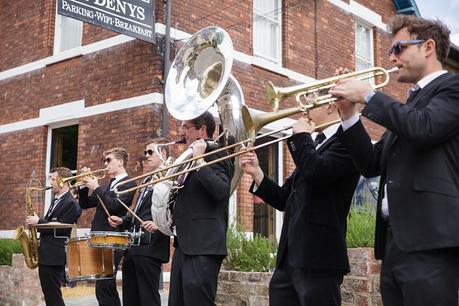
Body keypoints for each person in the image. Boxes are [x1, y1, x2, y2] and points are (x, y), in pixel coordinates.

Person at [330, 14, 459, 305]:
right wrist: (349, 114)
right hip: (394, 244)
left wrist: (368, 95)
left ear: (427, 47)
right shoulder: (409, 107)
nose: (391, 58)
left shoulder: (452, 89)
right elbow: (371, 164)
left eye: (398, 49)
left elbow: (424, 127)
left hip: (432, 242)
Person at [239, 103, 359, 306]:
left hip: (319, 258)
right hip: (290, 257)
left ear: (330, 107)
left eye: (312, 104)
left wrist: (301, 137)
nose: (305, 110)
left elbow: (316, 173)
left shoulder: (348, 142)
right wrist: (257, 173)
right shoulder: (315, 146)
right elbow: (284, 198)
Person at [168, 111, 234, 306]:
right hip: (184, 245)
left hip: (204, 245)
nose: (181, 132)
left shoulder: (218, 153)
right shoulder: (187, 159)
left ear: (202, 129)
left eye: (186, 127)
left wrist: (199, 161)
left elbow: (221, 191)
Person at [108, 139, 171, 306]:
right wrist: (122, 219)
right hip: (134, 247)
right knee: (130, 298)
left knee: (148, 298)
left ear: (162, 153)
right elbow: (138, 211)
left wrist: (160, 224)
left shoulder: (170, 176)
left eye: (150, 152)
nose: (146, 156)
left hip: (151, 247)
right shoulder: (147, 179)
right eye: (145, 153)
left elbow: (174, 209)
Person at [78, 147, 136, 306]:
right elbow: (85, 203)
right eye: (104, 161)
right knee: (103, 286)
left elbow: (113, 206)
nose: (105, 164)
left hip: (113, 238)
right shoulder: (107, 184)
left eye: (109, 160)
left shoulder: (129, 183)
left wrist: (95, 187)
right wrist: (83, 186)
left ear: (120, 162)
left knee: (105, 284)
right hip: (99, 237)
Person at [26, 167, 81, 306]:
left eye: (53, 179)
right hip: (47, 255)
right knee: (49, 296)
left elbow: (61, 228)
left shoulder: (71, 203)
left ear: (63, 181)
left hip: (54, 256)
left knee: (54, 296)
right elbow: (52, 223)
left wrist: (38, 222)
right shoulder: (57, 200)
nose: (50, 182)